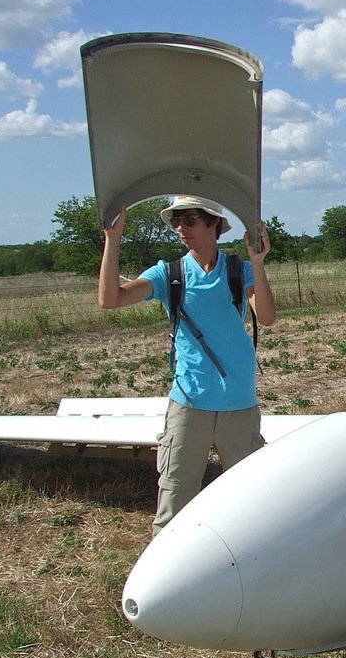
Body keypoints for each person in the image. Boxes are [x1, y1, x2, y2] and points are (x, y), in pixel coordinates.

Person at [98, 195, 277, 535]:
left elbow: (266, 317)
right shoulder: (170, 274)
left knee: (252, 503)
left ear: (214, 225)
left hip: (239, 404)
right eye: (177, 221)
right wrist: (113, 240)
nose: (181, 228)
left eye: (190, 219)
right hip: (189, 405)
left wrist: (259, 263)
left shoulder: (240, 271)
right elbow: (110, 299)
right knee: (174, 506)